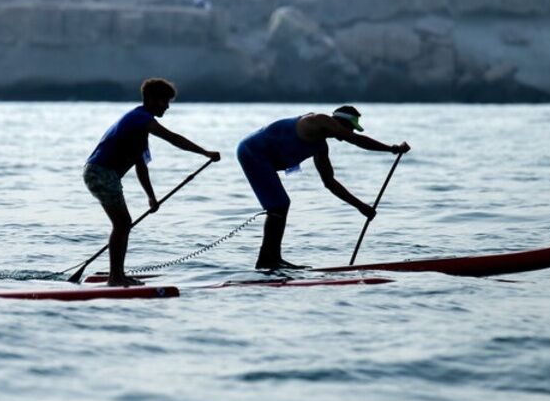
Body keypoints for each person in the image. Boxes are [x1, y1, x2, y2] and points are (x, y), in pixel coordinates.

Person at [83, 78, 220, 287]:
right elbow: (173, 138)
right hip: (100, 173)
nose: (167, 106)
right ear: (150, 99)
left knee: (122, 224)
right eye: (164, 101)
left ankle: (117, 274)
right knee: (122, 223)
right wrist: (205, 152)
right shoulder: (140, 119)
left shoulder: (138, 125)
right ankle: (115, 277)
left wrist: (151, 197)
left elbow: (141, 166)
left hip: (99, 173)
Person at [237, 105, 410, 270]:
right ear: (340, 122)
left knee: (280, 205)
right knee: (279, 205)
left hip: (259, 156)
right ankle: (268, 261)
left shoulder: (320, 146)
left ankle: (270, 259)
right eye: (350, 127)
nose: (350, 132)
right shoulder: (319, 120)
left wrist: (361, 206)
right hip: (252, 152)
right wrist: (392, 149)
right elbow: (356, 140)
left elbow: (330, 182)